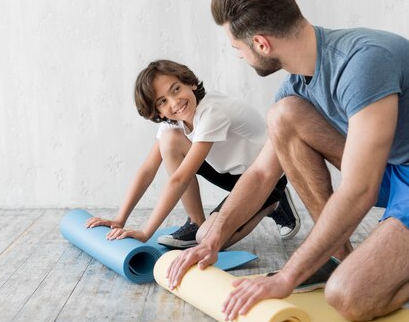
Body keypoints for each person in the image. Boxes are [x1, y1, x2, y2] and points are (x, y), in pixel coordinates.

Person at [166, 0, 409, 322]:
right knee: (283, 116)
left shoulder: (362, 64)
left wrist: (287, 276)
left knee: (349, 296)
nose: (238, 56)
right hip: (394, 166)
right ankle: (337, 256)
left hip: (383, 177)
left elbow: (359, 190)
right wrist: (212, 239)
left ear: (261, 44)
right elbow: (264, 172)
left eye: (237, 48)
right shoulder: (298, 85)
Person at [84, 59, 300, 250]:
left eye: (176, 89)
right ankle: (195, 221)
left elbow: (179, 179)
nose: (174, 102)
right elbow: (147, 169)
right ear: (158, 112)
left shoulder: (213, 112)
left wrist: (145, 232)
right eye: (163, 101)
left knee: (208, 239)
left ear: (191, 83)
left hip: (265, 179)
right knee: (169, 141)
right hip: (234, 176)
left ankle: (274, 203)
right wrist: (119, 219)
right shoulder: (176, 122)